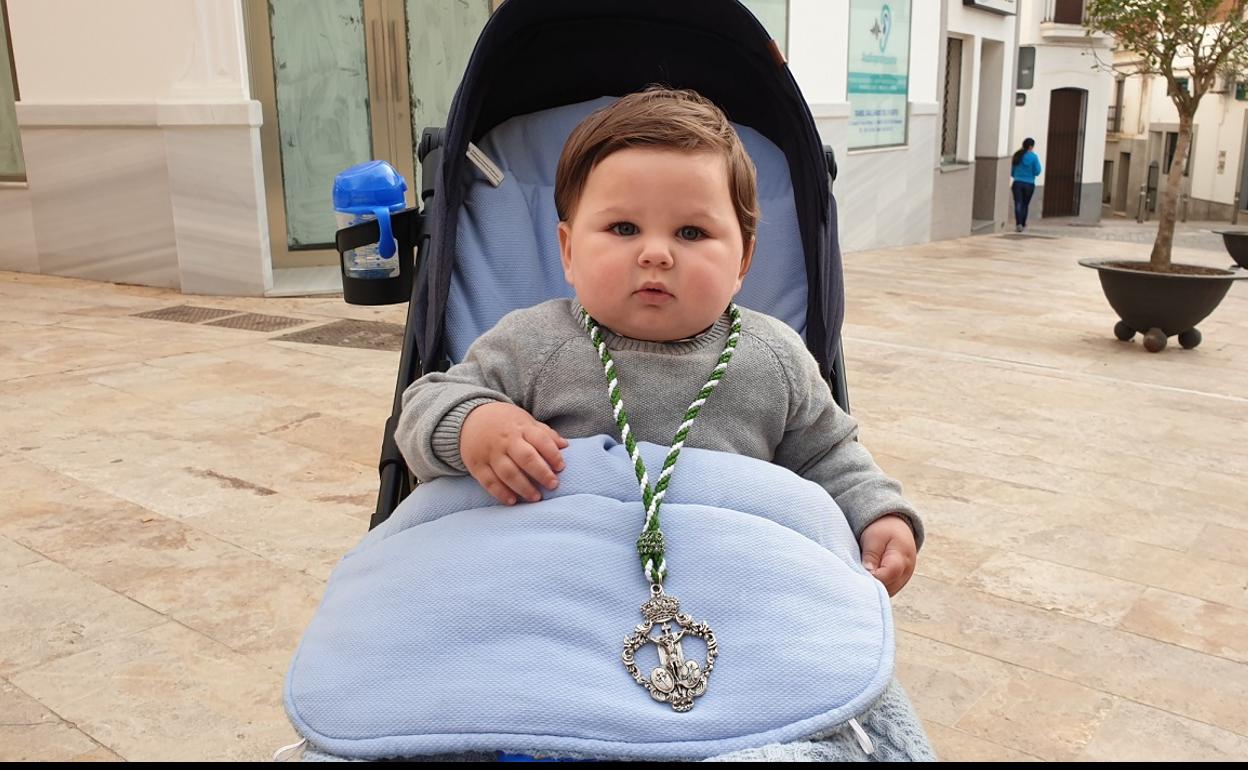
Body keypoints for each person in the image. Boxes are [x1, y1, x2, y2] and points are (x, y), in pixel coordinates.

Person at [395, 86, 934, 761]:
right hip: (558, 604)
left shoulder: (773, 359)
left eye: (691, 233)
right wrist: (476, 423)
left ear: (743, 259)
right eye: (623, 229)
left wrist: (878, 515)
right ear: (568, 249)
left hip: (729, 609)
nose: (656, 253)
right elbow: (425, 406)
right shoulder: (534, 343)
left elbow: (831, 455)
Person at [1011, 137, 1042, 231]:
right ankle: (1023, 223)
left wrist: (1017, 175)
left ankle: (1018, 223)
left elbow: (1012, 172)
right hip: (1029, 184)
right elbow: (1037, 171)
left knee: (1018, 203)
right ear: (1031, 147)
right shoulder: (1034, 157)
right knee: (1025, 204)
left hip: (1017, 183)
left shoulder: (1017, 155)